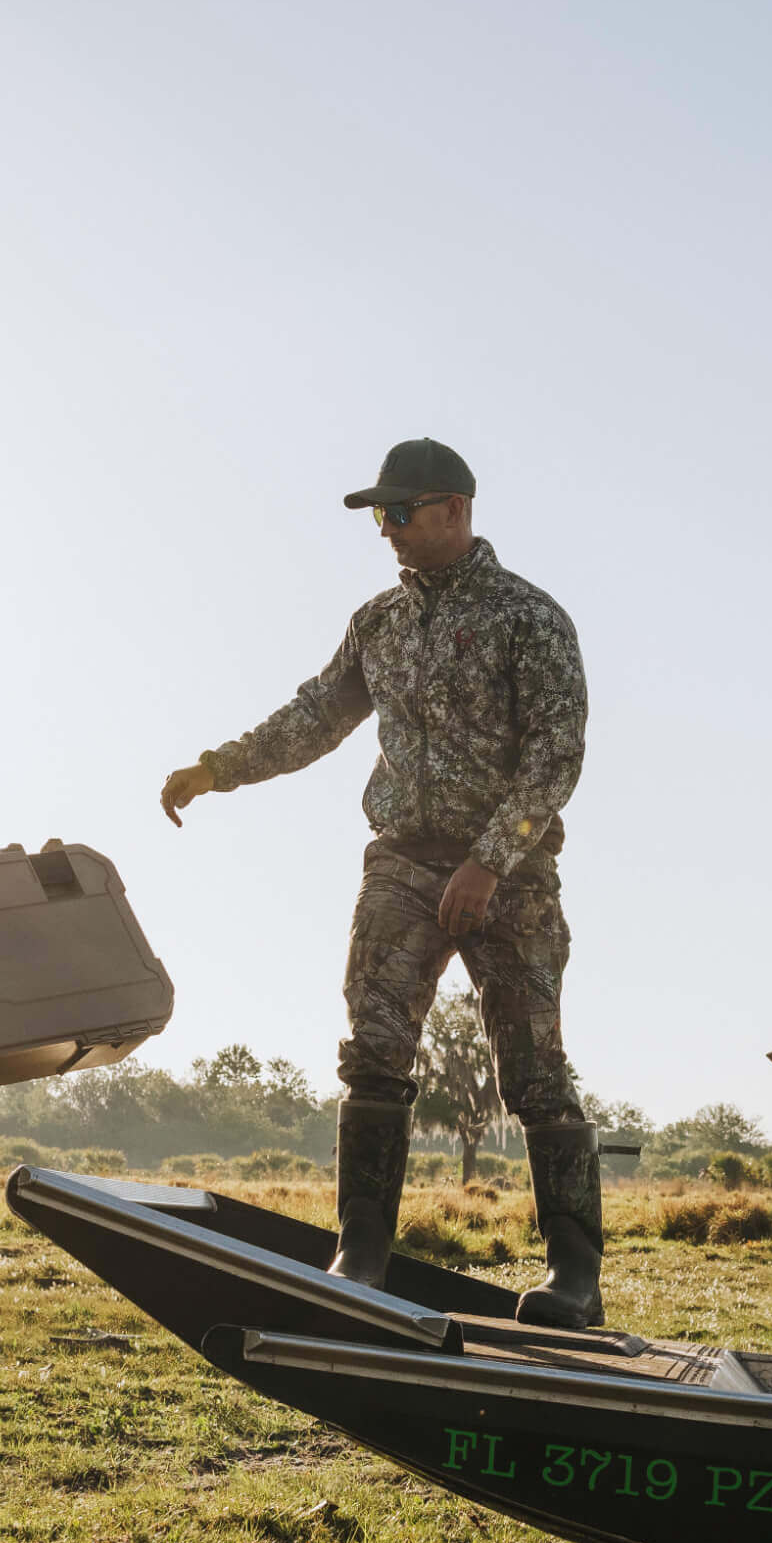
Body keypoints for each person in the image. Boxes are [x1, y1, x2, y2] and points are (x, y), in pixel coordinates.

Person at [159, 438, 604, 1330]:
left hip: (509, 873)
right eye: (377, 516)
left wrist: (489, 859)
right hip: (400, 861)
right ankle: (359, 1256)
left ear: (455, 510)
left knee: (533, 1069)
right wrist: (218, 768)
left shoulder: (531, 619)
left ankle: (574, 1280)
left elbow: (556, 756)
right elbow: (315, 715)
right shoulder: (378, 624)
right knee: (372, 1047)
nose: (386, 529)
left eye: (400, 512)